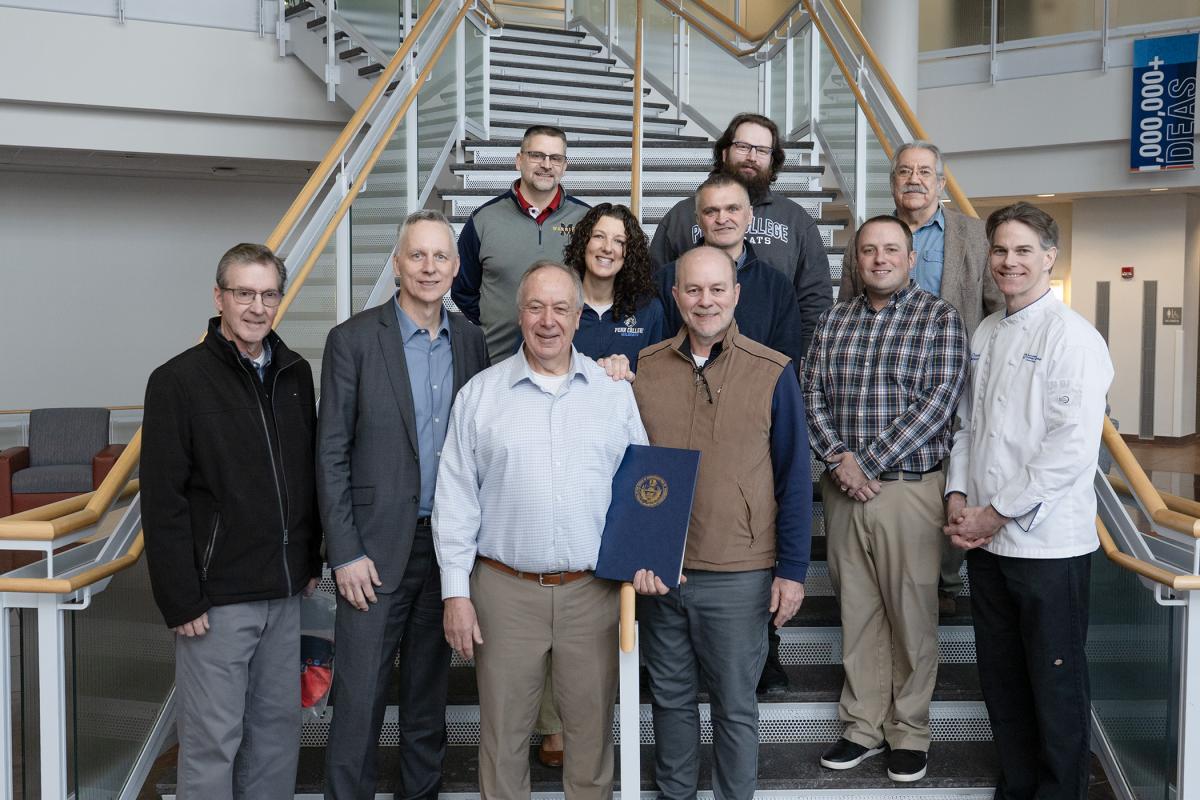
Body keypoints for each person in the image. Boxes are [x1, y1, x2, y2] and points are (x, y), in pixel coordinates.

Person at [434, 260, 648, 799]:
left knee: (591, 740)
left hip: (593, 593)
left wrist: (650, 555)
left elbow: (642, 489)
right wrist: (455, 594)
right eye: (535, 307)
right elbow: (455, 500)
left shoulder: (612, 393)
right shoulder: (480, 396)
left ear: (579, 317)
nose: (547, 320)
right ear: (518, 313)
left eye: (560, 308)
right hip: (504, 593)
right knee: (503, 740)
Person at [318, 211, 489, 799]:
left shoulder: (470, 339)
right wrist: (344, 552)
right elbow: (331, 454)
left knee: (427, 700)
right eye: (417, 255)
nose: (429, 267)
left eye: (440, 257)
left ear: (456, 266)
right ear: (397, 263)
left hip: (446, 551)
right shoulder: (353, 340)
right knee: (359, 702)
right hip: (372, 554)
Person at [141, 243, 322, 800]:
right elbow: (163, 499)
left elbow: (305, 473)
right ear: (219, 297)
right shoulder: (177, 381)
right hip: (215, 603)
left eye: (269, 294)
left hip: (285, 591)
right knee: (212, 741)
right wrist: (181, 598)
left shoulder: (296, 373)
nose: (256, 306)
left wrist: (309, 557)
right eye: (244, 293)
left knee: (276, 736)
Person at [945, 202, 1113, 800]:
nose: (1009, 262)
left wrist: (995, 512)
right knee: (1004, 682)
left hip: (1049, 547)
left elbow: (1068, 451)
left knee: (1055, 685)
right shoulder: (988, 332)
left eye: (1022, 251)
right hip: (988, 543)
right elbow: (968, 425)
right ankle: (1017, 787)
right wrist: (959, 496)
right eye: (1000, 250)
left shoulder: (1073, 337)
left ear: (1049, 257)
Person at [632, 245, 812, 800]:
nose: (704, 301)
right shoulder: (643, 369)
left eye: (716, 289)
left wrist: (793, 571)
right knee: (670, 701)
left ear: (736, 294)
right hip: (662, 573)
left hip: (740, 573)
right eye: (692, 289)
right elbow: (622, 471)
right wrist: (635, 555)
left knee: (736, 706)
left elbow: (794, 476)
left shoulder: (773, 371)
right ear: (675, 295)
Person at [804, 215, 967, 782]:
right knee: (858, 613)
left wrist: (864, 462)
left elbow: (939, 401)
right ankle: (861, 727)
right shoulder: (833, 322)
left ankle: (910, 731)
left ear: (911, 257)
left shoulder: (939, 319)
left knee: (911, 615)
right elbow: (812, 396)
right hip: (844, 491)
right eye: (867, 250)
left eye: (890, 249)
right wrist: (838, 462)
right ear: (855, 260)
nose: (878, 259)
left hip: (908, 491)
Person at [837, 141, 1004, 615]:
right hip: (882, 387)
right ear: (892, 181)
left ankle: (946, 580)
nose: (914, 179)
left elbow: (999, 307)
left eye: (925, 172)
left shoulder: (972, 235)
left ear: (941, 182)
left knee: (951, 476)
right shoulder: (866, 237)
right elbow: (849, 304)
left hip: (953, 381)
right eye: (904, 171)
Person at [650, 112, 832, 355]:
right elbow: (652, 297)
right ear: (725, 152)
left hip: (763, 370)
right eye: (743, 146)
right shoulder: (681, 216)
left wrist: (799, 371)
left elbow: (814, 305)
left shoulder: (797, 221)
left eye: (762, 150)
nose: (751, 157)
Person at [452, 124, 590, 364]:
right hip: (497, 363)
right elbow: (462, 290)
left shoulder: (587, 221)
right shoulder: (483, 220)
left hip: (567, 366)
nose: (546, 165)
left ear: (564, 166)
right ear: (519, 160)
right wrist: (496, 319)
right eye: (536, 155)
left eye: (555, 158)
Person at [655, 174, 805, 367]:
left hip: (754, 395)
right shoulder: (667, 280)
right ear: (698, 219)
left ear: (750, 215)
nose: (722, 219)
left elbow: (786, 364)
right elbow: (656, 355)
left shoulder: (777, 287)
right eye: (711, 211)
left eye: (732, 209)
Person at [564, 202, 666, 370]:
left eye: (619, 241)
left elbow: (657, 378)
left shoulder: (648, 311)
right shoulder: (558, 306)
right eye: (599, 236)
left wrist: (630, 379)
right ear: (584, 243)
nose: (607, 248)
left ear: (630, 253)